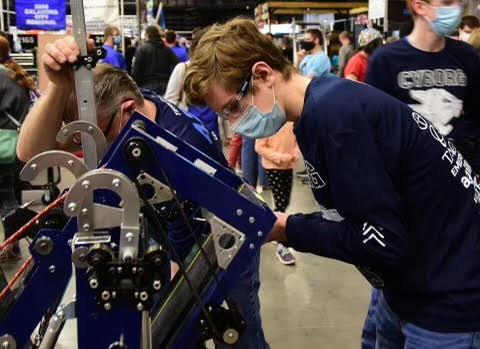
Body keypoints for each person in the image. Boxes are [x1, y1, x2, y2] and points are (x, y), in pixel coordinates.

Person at [184, 17, 480, 348]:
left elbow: (382, 240)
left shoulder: (335, 119)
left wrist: (288, 228)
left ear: (263, 74)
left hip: (448, 294)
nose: (236, 125)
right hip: (405, 283)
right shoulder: (319, 108)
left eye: (234, 108)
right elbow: (361, 218)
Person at [16, 35, 270, 349]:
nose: (87, 149)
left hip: (225, 243)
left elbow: (201, 236)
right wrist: (57, 87)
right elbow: (30, 152)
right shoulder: (133, 112)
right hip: (170, 236)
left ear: (126, 110)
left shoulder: (180, 146)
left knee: (238, 334)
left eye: (95, 137)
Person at [0, 35, 35, 261]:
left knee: (5, 198)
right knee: (10, 195)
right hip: (17, 146)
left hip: (2, 147)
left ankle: (10, 245)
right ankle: (13, 243)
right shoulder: (15, 74)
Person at [255, 123, 299, 265]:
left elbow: (297, 139)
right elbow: (259, 147)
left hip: (288, 165)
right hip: (273, 166)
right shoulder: (266, 122)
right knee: (280, 203)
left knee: (285, 202)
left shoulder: (291, 121)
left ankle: (269, 227)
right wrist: (280, 157)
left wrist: (295, 153)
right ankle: (282, 245)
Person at [164, 27, 220, 140]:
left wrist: (228, 135)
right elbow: (170, 101)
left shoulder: (217, 70)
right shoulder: (182, 68)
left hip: (214, 133)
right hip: (189, 132)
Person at [132, 26, 179, 96]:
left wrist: (138, 85)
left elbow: (136, 70)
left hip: (147, 86)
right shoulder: (167, 50)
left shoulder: (142, 49)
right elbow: (177, 65)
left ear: (147, 35)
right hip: (165, 86)